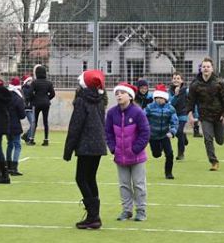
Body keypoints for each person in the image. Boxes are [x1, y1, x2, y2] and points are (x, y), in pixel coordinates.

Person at [63, 70, 107, 229]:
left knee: (81, 178)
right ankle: (94, 215)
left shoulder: (82, 101)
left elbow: (76, 125)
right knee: (90, 178)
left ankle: (93, 216)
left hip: (86, 145)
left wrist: (68, 149)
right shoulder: (101, 99)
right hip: (98, 144)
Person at [105, 82, 150, 222]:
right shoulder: (112, 113)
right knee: (124, 185)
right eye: (117, 93)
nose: (118, 95)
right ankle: (126, 210)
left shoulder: (138, 112)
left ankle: (141, 210)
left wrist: (135, 149)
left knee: (138, 184)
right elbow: (108, 133)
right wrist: (113, 148)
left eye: (122, 93)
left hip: (137, 157)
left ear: (130, 96)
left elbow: (145, 132)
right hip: (120, 156)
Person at [188, 57, 224, 171]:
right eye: (204, 67)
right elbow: (190, 101)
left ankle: (220, 134)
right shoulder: (195, 84)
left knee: (220, 141)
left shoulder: (219, 83)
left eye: (208, 67)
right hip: (204, 116)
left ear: (212, 69)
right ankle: (214, 161)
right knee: (207, 138)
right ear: (201, 69)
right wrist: (190, 115)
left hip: (219, 115)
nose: (206, 69)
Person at [145, 84, 178, 179]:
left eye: (161, 98)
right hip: (152, 136)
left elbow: (174, 122)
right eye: (157, 98)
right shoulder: (149, 108)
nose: (159, 99)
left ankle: (168, 173)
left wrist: (172, 132)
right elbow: (142, 118)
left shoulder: (170, 109)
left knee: (170, 154)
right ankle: (158, 149)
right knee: (156, 155)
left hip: (165, 135)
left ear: (165, 99)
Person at [28, 64, 56, 146]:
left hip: (36, 103)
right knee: (45, 121)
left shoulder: (34, 82)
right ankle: (46, 139)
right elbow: (53, 94)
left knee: (34, 122)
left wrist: (33, 98)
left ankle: (31, 139)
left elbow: (30, 93)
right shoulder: (48, 83)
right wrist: (47, 98)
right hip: (46, 103)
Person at [6, 77, 28, 176]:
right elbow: (22, 115)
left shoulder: (5, 97)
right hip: (15, 125)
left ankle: (8, 165)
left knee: (9, 144)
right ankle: (14, 167)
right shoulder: (18, 99)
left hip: (6, 124)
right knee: (17, 145)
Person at [168, 72, 190, 160]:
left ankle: (181, 154)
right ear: (172, 80)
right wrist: (176, 95)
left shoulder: (186, 90)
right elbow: (170, 104)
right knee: (179, 133)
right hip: (173, 115)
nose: (176, 80)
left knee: (179, 131)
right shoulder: (169, 92)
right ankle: (184, 138)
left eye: (178, 78)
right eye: (174, 78)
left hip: (183, 114)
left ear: (182, 80)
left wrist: (194, 114)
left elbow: (192, 101)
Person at [21, 74, 35, 145]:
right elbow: (28, 96)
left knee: (34, 124)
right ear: (26, 82)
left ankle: (26, 135)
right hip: (27, 108)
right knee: (33, 123)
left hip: (32, 108)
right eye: (29, 81)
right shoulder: (25, 89)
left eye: (31, 81)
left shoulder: (31, 88)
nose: (31, 82)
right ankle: (28, 137)